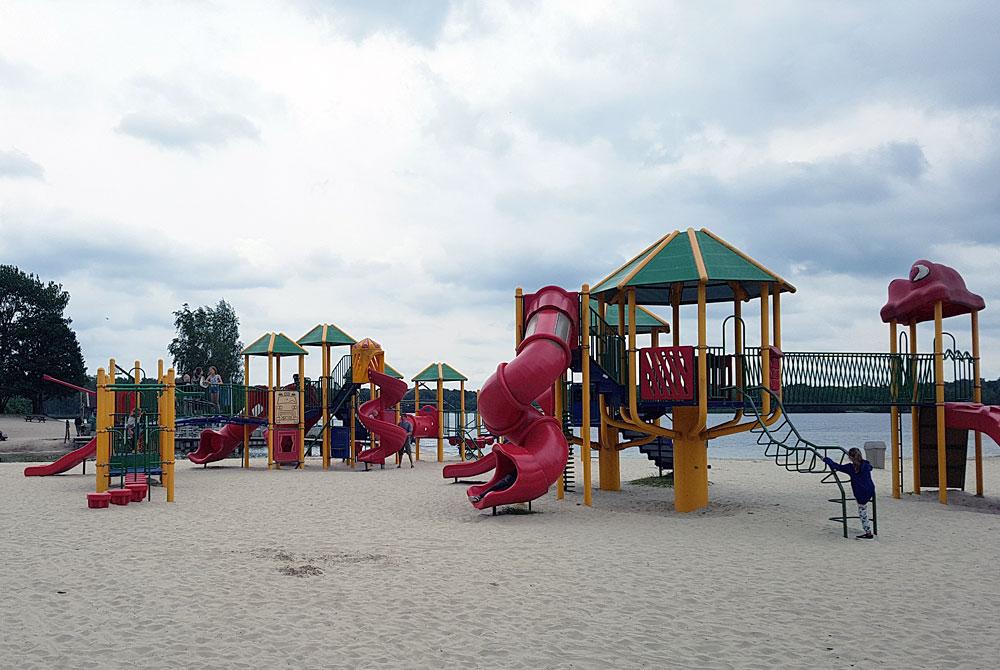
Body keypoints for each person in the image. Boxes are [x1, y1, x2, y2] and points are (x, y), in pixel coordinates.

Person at [824, 448, 876, 539]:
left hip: (860, 492)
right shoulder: (866, 465)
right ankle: (868, 531)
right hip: (870, 489)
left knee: (862, 511)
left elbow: (837, 466)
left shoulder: (850, 467)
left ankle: (868, 532)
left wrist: (827, 460)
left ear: (850, 457)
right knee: (863, 508)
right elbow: (870, 467)